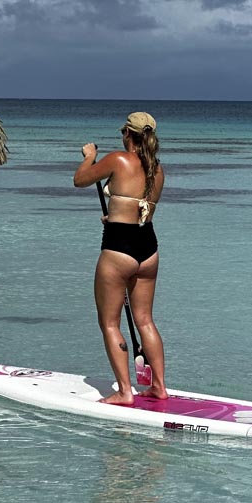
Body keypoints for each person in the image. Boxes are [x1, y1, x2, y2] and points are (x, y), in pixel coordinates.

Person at [73, 111, 167, 405]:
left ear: (128, 133)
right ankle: (159, 387)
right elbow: (138, 209)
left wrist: (89, 156)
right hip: (148, 249)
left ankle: (125, 392)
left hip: (118, 250)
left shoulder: (117, 159)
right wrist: (111, 217)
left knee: (110, 322)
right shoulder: (158, 169)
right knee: (145, 320)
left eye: (122, 131)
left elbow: (80, 180)